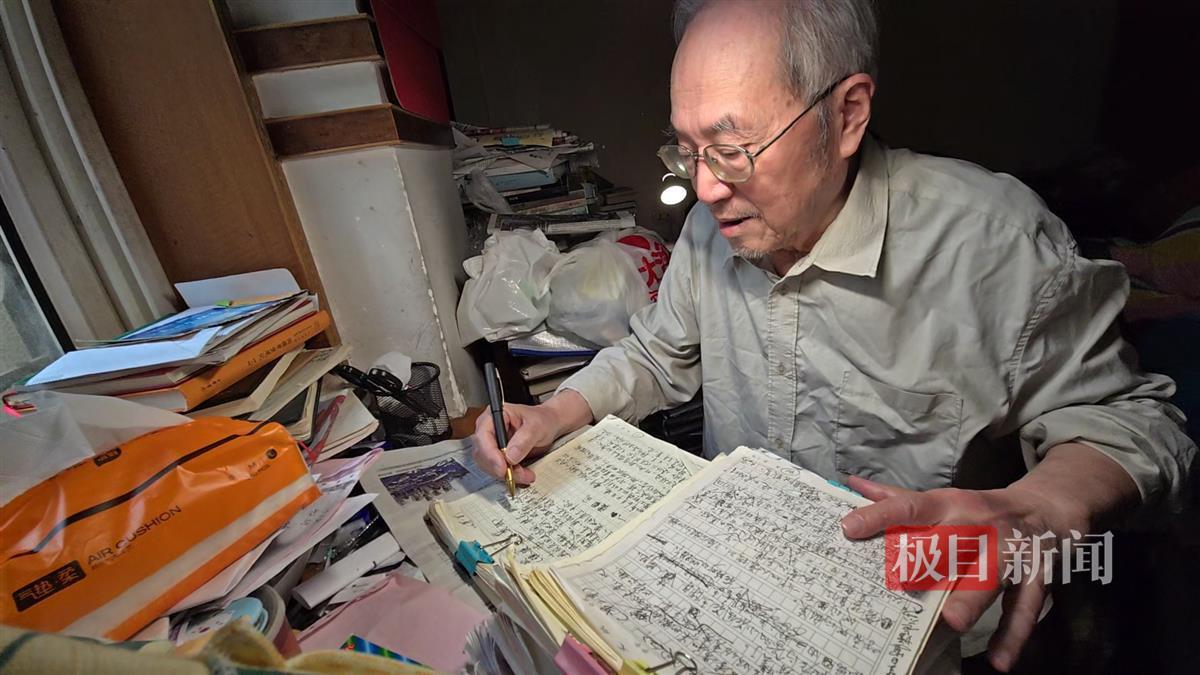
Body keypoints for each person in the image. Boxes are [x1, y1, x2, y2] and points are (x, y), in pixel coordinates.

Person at [471, 0, 1195, 670]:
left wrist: (1042, 505)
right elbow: (657, 356)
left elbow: (1132, 422)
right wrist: (555, 412)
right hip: (734, 596)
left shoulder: (993, 244)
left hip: (924, 629)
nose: (705, 187)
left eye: (732, 147)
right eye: (686, 150)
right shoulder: (708, 231)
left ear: (847, 115)